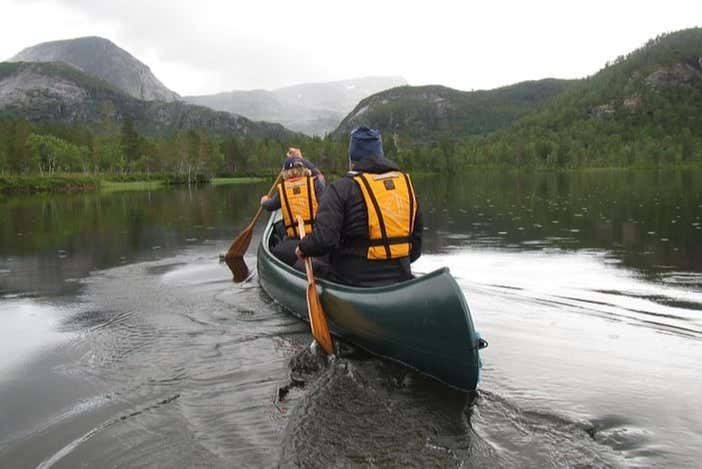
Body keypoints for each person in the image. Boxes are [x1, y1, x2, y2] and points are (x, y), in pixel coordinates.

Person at [295, 126, 422, 287]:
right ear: (380, 153)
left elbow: (324, 240)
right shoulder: (407, 185)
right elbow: (416, 248)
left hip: (354, 279)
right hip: (401, 274)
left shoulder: (340, 188)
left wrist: (302, 248)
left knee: (300, 266)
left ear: (352, 158)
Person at [261, 156, 325, 266]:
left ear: (285, 173)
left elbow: (270, 206)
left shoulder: (283, 190)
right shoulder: (316, 184)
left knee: (276, 249)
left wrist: (264, 201)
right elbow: (320, 177)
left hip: (294, 242)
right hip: (316, 239)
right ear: (303, 169)